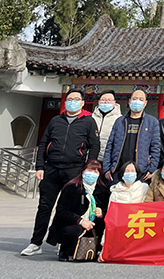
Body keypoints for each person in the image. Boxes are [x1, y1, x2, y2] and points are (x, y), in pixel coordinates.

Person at [22, 88, 100, 257]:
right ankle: (36, 242)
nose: (72, 102)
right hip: (51, 169)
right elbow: (44, 143)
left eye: (76, 99)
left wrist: (89, 167)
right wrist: (40, 166)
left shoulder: (88, 121)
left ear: (82, 102)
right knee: (44, 207)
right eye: (70, 99)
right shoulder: (56, 120)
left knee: (68, 208)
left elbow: (94, 145)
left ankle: (62, 241)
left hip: (74, 169)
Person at [46, 159, 108, 262]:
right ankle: (65, 251)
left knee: (103, 227)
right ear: (83, 171)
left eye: (96, 171)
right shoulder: (71, 187)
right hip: (73, 223)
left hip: (93, 223)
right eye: (89, 170)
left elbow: (108, 210)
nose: (92, 174)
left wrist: (102, 213)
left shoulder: (102, 189)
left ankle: (96, 250)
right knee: (74, 230)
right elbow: (61, 211)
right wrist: (80, 221)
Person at [103, 88, 160, 184]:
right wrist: (107, 168)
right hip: (118, 170)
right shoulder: (120, 121)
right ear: (129, 101)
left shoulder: (152, 122)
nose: (137, 101)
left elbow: (156, 147)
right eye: (134, 99)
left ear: (145, 103)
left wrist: (151, 169)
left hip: (141, 171)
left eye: (141, 99)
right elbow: (110, 146)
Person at [92, 90, 122, 162]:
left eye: (109, 100)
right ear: (98, 102)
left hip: (110, 159)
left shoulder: (120, 120)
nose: (106, 102)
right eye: (103, 100)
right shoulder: (91, 118)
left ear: (114, 102)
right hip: (91, 158)